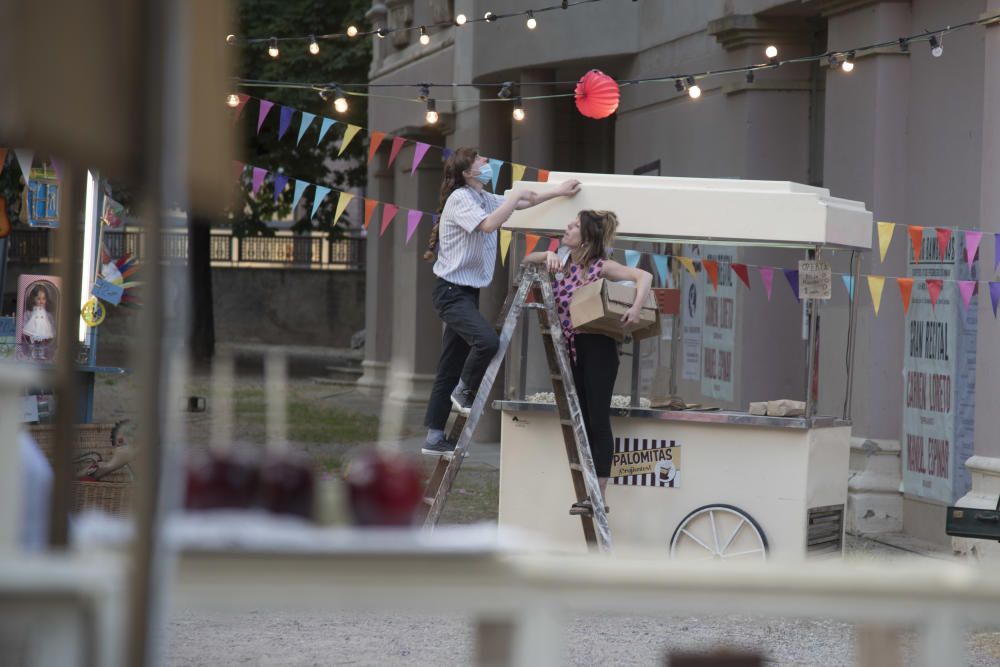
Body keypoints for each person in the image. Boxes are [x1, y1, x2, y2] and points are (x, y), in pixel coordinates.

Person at [421, 148, 581, 455]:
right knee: (487, 342)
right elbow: (490, 225)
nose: (486, 163)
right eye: (480, 161)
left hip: (466, 292)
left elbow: (525, 201)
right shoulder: (460, 199)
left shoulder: (481, 198)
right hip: (450, 291)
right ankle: (464, 391)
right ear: (468, 173)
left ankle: (434, 436)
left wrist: (558, 191)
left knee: (449, 364)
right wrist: (512, 197)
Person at [522, 210, 652, 513]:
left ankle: (599, 496)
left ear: (587, 237)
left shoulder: (601, 266)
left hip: (598, 346)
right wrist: (545, 255)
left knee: (596, 418)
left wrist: (635, 308)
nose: (566, 228)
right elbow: (525, 262)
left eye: (574, 226)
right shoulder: (562, 262)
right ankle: (589, 492)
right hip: (571, 348)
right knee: (580, 418)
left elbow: (643, 276)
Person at [22, 283, 56, 360]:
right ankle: (33, 353)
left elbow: (51, 323)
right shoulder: (29, 313)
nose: (41, 301)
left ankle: (41, 353)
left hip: (43, 330)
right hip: (33, 330)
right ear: (34, 299)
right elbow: (26, 322)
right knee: (33, 341)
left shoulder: (47, 314)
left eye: (43, 299)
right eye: (38, 298)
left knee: (43, 342)